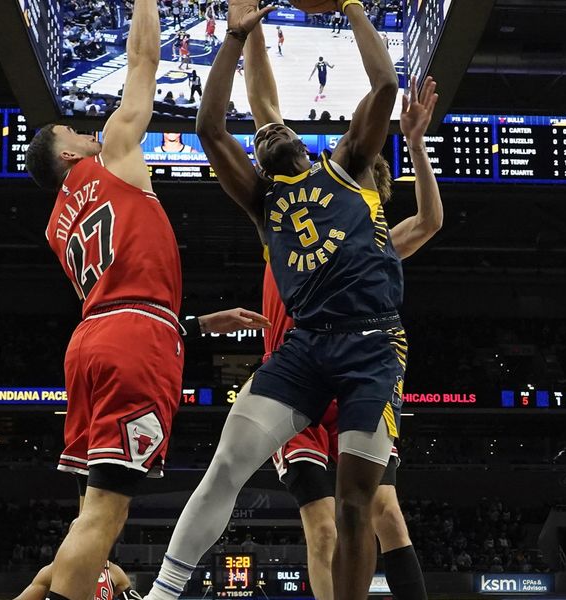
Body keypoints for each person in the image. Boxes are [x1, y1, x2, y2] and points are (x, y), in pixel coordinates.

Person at [142, 1, 425, 600]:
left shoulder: (348, 164)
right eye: (260, 133)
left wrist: (350, 6)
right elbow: (211, 129)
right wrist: (235, 36)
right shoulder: (260, 200)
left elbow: (385, 84)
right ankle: (164, 592)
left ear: (299, 137)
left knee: (357, 507)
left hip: (372, 345)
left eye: (272, 126)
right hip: (305, 346)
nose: (264, 129)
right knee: (227, 463)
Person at [23, 0, 270, 596]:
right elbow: (143, 59)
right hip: (135, 343)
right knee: (104, 516)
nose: (88, 131)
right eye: (74, 133)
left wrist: (196, 323)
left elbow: (122, 290)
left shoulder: (58, 223)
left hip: (92, 342)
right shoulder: (110, 158)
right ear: (68, 156)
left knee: (95, 519)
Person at [265, 77, 441, 600]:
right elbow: (265, 112)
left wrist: (413, 143)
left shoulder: (376, 244)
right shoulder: (295, 214)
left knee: (385, 511)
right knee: (322, 528)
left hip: (357, 376)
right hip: (299, 374)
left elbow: (430, 220)